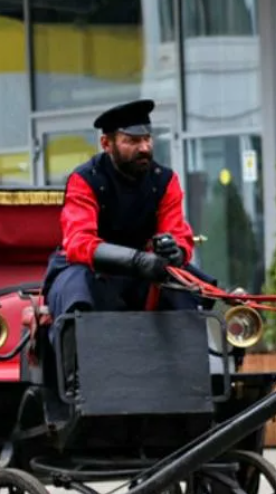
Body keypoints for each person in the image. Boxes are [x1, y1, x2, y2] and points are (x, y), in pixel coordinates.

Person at [42, 99, 209, 371]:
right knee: (76, 290)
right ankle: (76, 380)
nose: (144, 148)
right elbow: (79, 244)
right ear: (106, 144)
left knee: (184, 290)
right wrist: (138, 261)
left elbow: (178, 233)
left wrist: (175, 252)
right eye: (132, 140)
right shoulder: (84, 179)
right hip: (90, 270)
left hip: (147, 272)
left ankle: (191, 379)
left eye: (147, 139)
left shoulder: (165, 180)